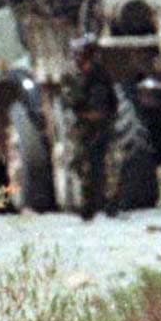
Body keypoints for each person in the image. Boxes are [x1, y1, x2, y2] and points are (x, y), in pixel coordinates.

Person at [57, 35, 118, 222]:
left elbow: (112, 99)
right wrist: (85, 113)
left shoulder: (101, 74)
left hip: (102, 125)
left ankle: (109, 204)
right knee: (82, 164)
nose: (80, 58)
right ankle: (87, 206)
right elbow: (70, 101)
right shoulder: (70, 75)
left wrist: (107, 115)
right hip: (81, 127)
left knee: (106, 164)